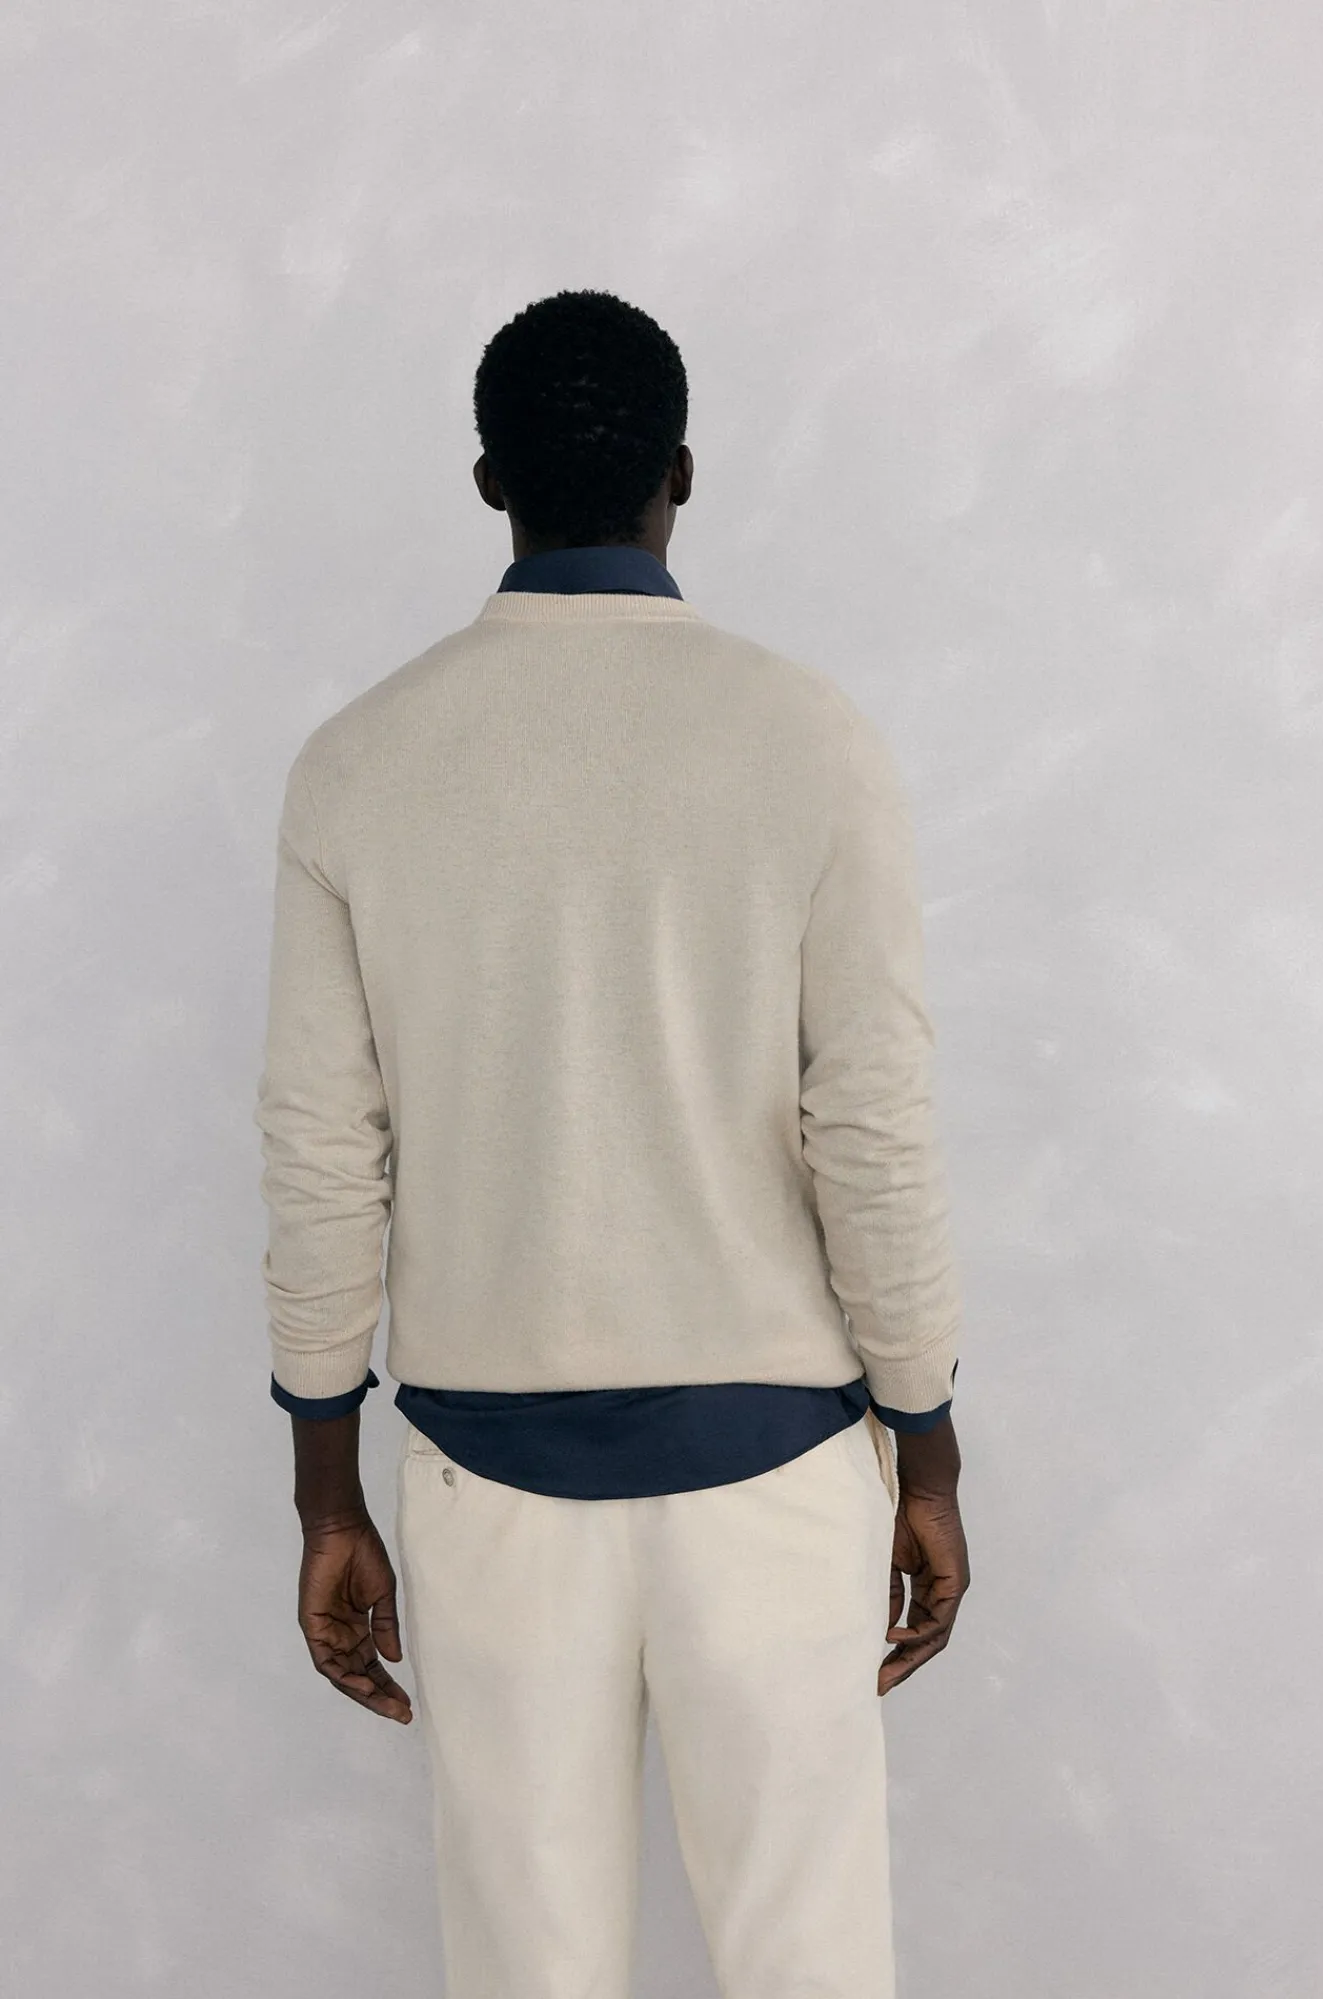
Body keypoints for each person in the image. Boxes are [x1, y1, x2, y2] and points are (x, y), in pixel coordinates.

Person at [254, 287, 970, 1998]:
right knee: (813, 1969)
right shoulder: (812, 738)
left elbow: (321, 1148)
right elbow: (872, 1129)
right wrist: (929, 1448)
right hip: (779, 1470)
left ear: (488, 479)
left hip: (488, 1483)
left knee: (527, 1972)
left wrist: (325, 1487)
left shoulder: (357, 762)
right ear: (685, 473)